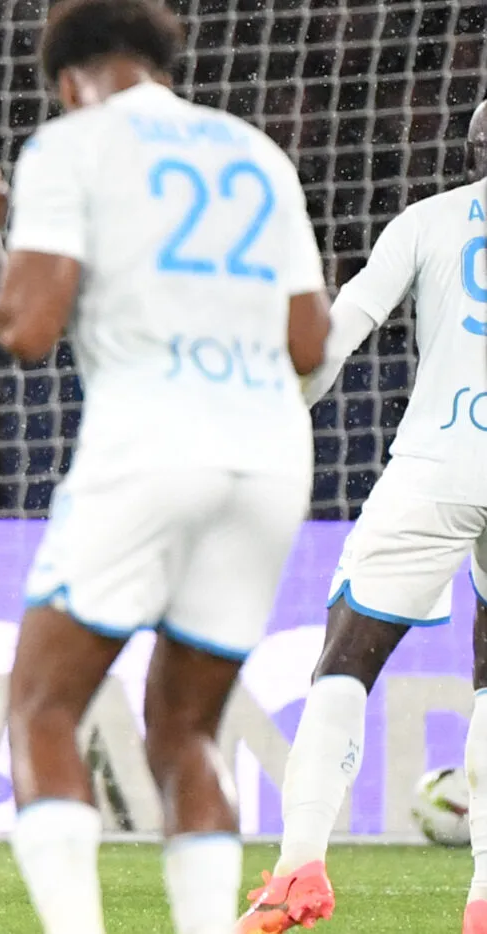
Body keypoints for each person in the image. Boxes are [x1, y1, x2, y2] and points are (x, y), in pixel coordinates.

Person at [0, 1, 332, 931]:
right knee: (188, 732)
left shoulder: (73, 145)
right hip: (273, 457)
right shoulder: (256, 153)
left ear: (65, 76)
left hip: (151, 446)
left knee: (41, 706)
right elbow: (310, 341)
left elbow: (28, 329)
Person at [240, 100, 487, 934]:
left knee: (345, 658)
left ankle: (298, 871)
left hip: (439, 463)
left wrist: (283, 408)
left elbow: (341, 329)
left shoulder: (429, 219)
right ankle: (484, 900)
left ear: (472, 147)